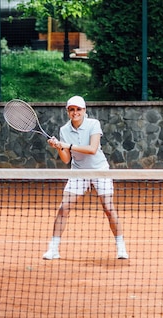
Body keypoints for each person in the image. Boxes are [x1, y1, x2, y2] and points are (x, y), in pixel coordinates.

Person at [42, 95, 128, 261]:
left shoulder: (93, 124)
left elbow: (92, 149)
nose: (75, 112)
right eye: (72, 110)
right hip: (78, 172)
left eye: (78, 109)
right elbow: (66, 159)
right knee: (64, 208)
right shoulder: (64, 130)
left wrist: (67, 145)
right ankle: (53, 249)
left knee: (108, 208)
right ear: (68, 112)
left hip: (99, 170)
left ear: (84, 110)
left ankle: (121, 247)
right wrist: (58, 147)